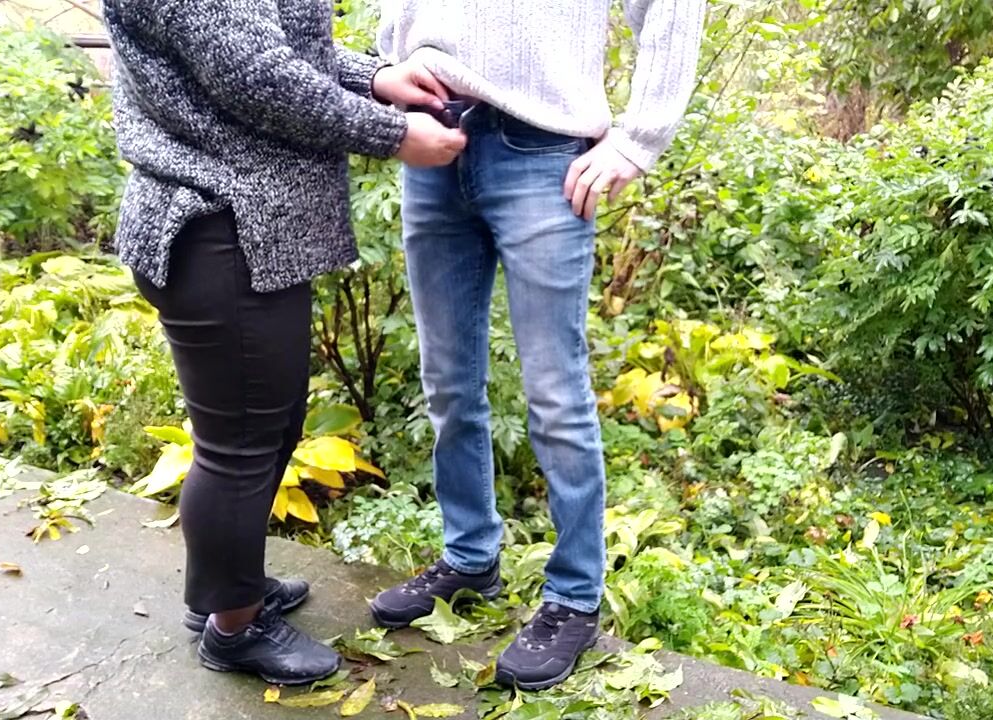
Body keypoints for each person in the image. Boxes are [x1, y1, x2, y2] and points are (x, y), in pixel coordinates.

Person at [101, 0, 462, 686]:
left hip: (241, 230)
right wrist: (390, 132)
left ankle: (227, 590)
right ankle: (234, 630)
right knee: (238, 446)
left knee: (266, 429)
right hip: (216, 226)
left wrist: (373, 77)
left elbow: (280, 48)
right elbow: (258, 74)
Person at [371, 0, 707, 691]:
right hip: (432, 135)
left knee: (555, 394)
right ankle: (470, 557)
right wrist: (391, 62)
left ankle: (574, 598)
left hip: (542, 150)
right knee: (447, 382)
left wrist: (638, 139)